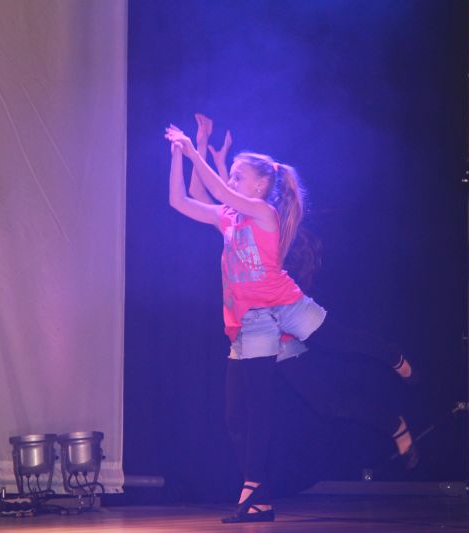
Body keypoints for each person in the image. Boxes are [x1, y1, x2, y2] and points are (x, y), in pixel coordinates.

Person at [165, 122, 326, 523]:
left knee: (271, 407)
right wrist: (181, 154)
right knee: (235, 418)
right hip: (241, 330)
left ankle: (254, 490)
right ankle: (260, 495)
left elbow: (219, 191)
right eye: (231, 175)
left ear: (259, 185)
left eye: (239, 176)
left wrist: (195, 149)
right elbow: (182, 200)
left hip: (271, 320)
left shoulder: (264, 213)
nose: (231, 181)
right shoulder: (229, 219)